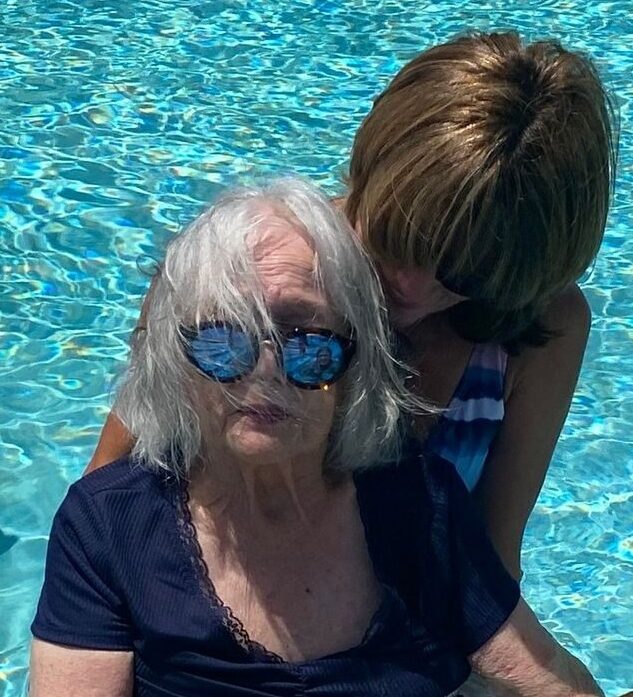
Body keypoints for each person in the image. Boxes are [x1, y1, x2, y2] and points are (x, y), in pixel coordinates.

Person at [30, 179, 607, 696]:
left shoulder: (418, 505)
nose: (265, 372)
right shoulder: (108, 525)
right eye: (223, 340)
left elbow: (544, 679)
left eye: (308, 345)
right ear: (176, 357)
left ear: (354, 365)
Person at [86, 31, 617, 582]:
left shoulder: (542, 329)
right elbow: (106, 494)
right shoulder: (238, 266)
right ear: (370, 166)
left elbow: (491, 553)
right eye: (398, 235)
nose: (411, 286)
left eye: (466, 272)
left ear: (523, 275)